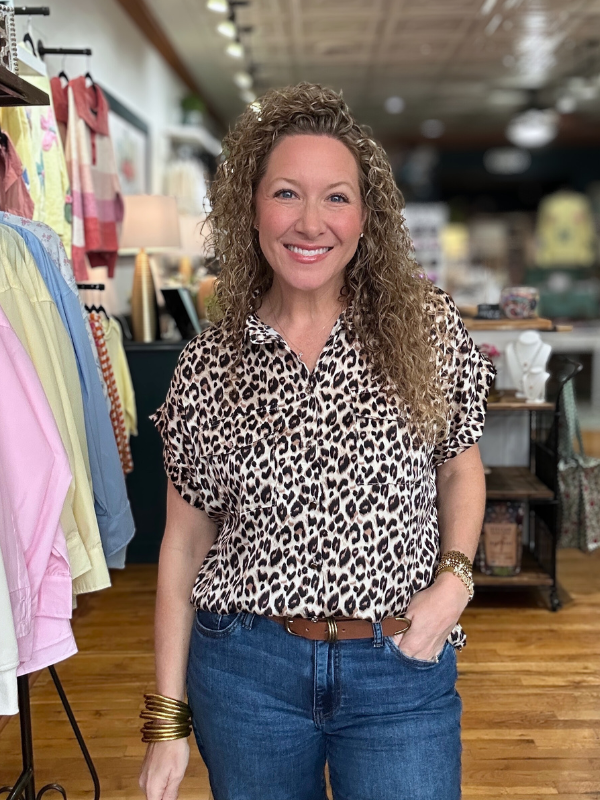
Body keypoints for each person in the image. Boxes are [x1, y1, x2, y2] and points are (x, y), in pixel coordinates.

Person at [139, 82, 494, 800]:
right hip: (247, 674)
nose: (310, 222)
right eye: (286, 194)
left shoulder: (422, 328)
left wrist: (454, 581)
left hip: (399, 663)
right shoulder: (211, 364)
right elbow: (183, 544)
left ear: (367, 217)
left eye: (335, 196)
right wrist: (168, 721)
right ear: (251, 208)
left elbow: (460, 466)